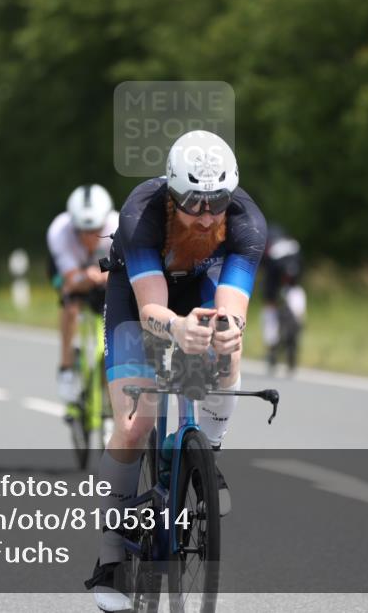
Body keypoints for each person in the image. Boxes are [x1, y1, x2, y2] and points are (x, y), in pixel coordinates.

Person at [86, 130, 266, 610]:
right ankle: (111, 557)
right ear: (171, 192)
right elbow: (151, 313)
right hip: (140, 295)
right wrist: (177, 330)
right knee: (135, 422)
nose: (207, 216)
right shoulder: (141, 213)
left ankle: (207, 456)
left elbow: (232, 303)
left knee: (225, 350)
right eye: (193, 203)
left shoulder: (247, 222)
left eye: (217, 202)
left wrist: (228, 330)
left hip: (198, 289)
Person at [46, 185, 118, 407]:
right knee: (70, 302)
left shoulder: (119, 227)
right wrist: (85, 278)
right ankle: (66, 367)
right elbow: (70, 280)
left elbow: (124, 272)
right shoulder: (59, 231)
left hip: (104, 273)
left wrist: (101, 276)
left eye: (95, 230)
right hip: (71, 273)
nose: (89, 238)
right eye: (83, 232)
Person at [261, 224, 306, 375]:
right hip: (294, 288)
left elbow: (266, 274)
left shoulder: (268, 249)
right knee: (298, 316)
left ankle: (272, 349)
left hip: (274, 290)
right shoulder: (293, 245)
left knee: (270, 317)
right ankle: (298, 326)